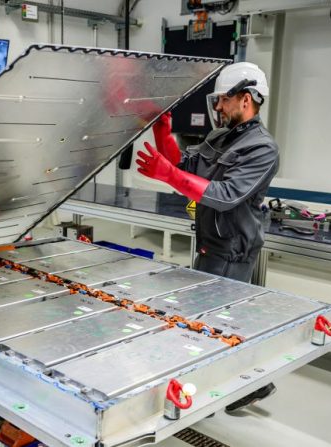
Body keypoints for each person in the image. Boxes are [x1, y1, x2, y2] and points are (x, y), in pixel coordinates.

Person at [136, 62, 279, 412]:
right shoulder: (221, 137)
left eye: (223, 101)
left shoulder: (261, 148)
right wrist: (162, 132)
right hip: (211, 243)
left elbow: (225, 194)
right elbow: (185, 165)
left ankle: (248, 385)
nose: (217, 108)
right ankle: (245, 382)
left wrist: (167, 175)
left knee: (214, 322)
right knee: (211, 318)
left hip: (232, 249)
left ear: (246, 99)